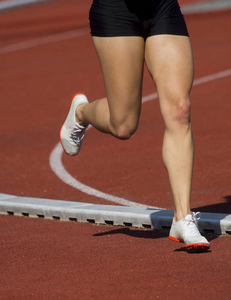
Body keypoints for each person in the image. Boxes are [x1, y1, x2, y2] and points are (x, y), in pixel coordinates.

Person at [60, 0, 209, 251]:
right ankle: (81, 112)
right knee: (123, 125)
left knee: (179, 109)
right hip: (117, 10)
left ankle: (182, 219)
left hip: (161, 7)